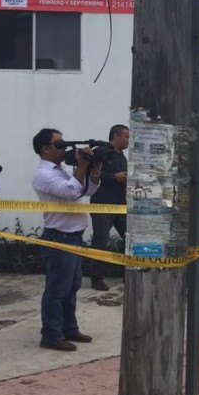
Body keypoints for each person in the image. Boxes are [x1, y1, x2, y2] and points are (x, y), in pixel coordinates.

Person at [32, 128, 101, 351]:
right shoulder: (44, 174)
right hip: (59, 237)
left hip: (73, 237)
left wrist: (94, 171)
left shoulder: (61, 170)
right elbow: (71, 192)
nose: (65, 149)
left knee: (72, 287)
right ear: (45, 149)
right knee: (57, 289)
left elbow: (84, 191)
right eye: (60, 145)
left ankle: (68, 328)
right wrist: (81, 166)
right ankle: (51, 334)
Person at [87, 124, 129, 291]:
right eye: (126, 136)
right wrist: (114, 177)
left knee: (131, 240)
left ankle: (131, 272)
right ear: (115, 136)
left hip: (120, 205)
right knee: (101, 241)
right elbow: (92, 174)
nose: (128, 140)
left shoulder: (122, 157)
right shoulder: (101, 152)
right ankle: (96, 278)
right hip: (102, 204)